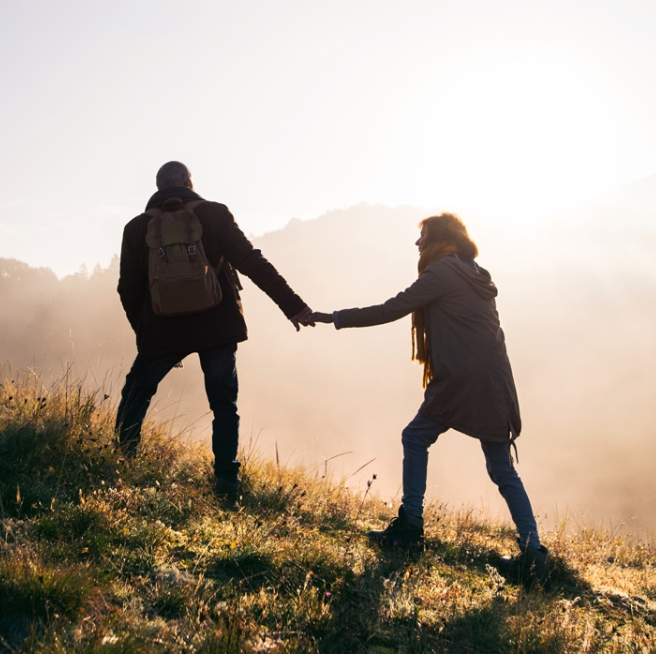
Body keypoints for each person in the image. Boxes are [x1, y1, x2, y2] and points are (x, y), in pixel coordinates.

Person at [311, 212, 549, 579]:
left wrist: (335, 317)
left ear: (437, 237)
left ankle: (410, 526)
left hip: (461, 380)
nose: (417, 243)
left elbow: (392, 308)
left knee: (415, 436)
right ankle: (533, 554)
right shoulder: (475, 272)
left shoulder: (441, 272)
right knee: (501, 467)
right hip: (494, 379)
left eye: (421, 235)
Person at [116, 161, 313, 508]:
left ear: (158, 187)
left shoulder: (137, 228)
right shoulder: (215, 214)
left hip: (162, 329)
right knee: (224, 404)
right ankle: (226, 483)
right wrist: (293, 305)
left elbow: (128, 289)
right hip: (217, 324)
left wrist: (145, 335)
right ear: (190, 183)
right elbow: (252, 262)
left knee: (137, 392)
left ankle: (120, 464)